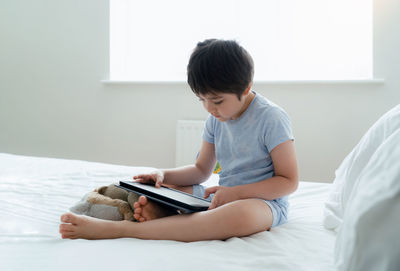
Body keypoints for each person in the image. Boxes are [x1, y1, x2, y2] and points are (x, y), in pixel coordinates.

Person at [59, 39, 298, 241]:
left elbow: (288, 181)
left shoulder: (272, 118)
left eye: (216, 101)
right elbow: (200, 170)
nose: (209, 109)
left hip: (263, 204)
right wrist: (163, 175)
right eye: (201, 100)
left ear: (246, 88)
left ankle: (122, 230)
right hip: (220, 198)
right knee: (164, 190)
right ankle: (156, 212)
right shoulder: (215, 119)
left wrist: (236, 193)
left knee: (241, 215)